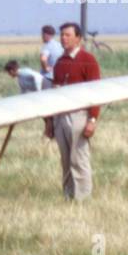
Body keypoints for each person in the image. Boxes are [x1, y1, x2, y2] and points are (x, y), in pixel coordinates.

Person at [46, 23, 102, 200]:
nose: (64, 38)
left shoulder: (88, 60)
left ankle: (83, 198)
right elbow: (54, 92)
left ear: (78, 38)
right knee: (65, 159)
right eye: (62, 35)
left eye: (68, 35)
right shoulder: (60, 62)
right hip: (61, 116)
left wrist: (92, 119)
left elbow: (96, 92)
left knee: (78, 158)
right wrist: (49, 121)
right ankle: (69, 196)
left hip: (79, 114)